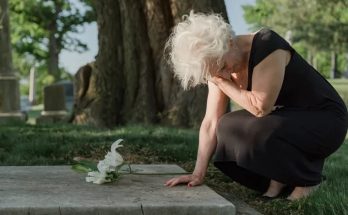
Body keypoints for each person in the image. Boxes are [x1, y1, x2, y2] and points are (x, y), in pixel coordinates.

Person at [164, 11, 348, 201]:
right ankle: (281, 178)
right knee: (227, 126)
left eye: (222, 67)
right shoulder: (215, 65)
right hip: (287, 120)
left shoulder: (267, 44)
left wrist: (220, 82)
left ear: (229, 41)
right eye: (215, 73)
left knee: (257, 127)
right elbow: (211, 121)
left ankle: (308, 180)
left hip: (326, 120)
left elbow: (260, 107)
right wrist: (197, 173)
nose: (224, 76)